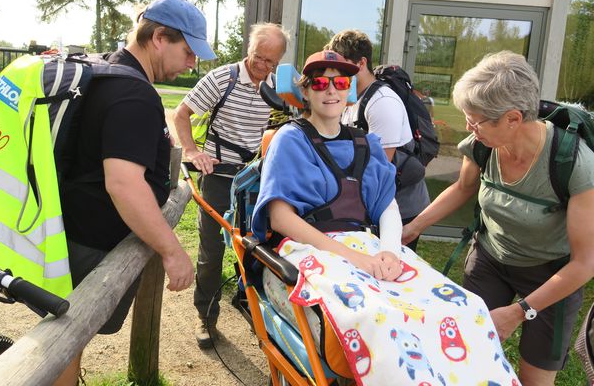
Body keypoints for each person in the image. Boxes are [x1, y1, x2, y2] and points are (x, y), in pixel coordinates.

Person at [251, 50, 520, 385]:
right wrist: (358, 259)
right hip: (311, 247)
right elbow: (280, 218)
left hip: (369, 244)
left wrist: (390, 252)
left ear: (349, 88)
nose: (331, 89)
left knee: (464, 307)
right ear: (305, 91)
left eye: (340, 81)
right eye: (320, 82)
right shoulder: (291, 139)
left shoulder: (366, 143)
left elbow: (387, 207)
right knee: (383, 316)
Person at [402, 51, 594, 385]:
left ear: (513, 119)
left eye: (474, 120)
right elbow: (463, 188)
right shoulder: (482, 145)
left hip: (551, 274)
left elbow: (584, 263)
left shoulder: (574, 165)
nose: (468, 127)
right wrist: (413, 227)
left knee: (534, 378)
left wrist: (519, 312)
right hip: (490, 259)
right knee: (465, 357)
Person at [55, 0, 212, 385]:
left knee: (66, 339)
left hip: (72, 228)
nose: (193, 63)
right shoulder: (133, 94)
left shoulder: (110, 71)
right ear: (160, 37)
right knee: (65, 340)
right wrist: (172, 252)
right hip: (90, 242)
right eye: (190, 51)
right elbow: (124, 184)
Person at [173, 22, 289, 348]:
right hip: (220, 179)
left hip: (256, 182)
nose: (262, 67)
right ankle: (205, 318)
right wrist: (193, 152)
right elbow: (182, 114)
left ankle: (250, 306)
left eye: (271, 62)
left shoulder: (278, 88)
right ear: (248, 50)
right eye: (258, 57)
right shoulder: (223, 79)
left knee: (257, 250)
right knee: (212, 251)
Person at [327, 30, 430, 251]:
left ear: (362, 63)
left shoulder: (382, 102)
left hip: (400, 207)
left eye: (343, 67)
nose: (336, 75)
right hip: (374, 202)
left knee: (391, 270)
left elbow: (380, 167)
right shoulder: (353, 99)